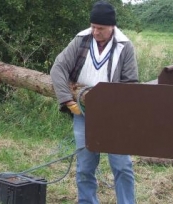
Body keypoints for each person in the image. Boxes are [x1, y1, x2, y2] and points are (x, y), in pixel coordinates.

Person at [50, 1, 137, 203]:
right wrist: (66, 100)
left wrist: (116, 107)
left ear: (112, 27)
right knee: (85, 166)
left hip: (114, 116)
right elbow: (59, 67)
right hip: (83, 113)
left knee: (122, 166)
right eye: (94, 27)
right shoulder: (81, 40)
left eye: (101, 28)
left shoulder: (125, 46)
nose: (96, 32)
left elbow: (131, 83)